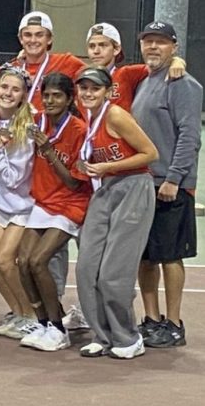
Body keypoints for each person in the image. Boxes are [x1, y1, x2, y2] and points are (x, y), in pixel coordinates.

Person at [74, 66, 157, 359]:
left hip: (134, 187)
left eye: (95, 88)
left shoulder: (116, 115)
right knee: (86, 268)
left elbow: (150, 153)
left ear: (108, 92)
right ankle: (103, 334)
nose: (88, 93)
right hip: (106, 189)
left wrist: (109, 167)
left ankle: (128, 337)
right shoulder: (86, 113)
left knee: (114, 273)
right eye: (83, 88)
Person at [132, 21, 202, 348]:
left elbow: (190, 136)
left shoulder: (184, 84)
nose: (153, 48)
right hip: (144, 184)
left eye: (161, 42)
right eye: (148, 42)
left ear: (174, 46)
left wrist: (174, 178)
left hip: (169, 185)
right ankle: (151, 319)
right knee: (146, 257)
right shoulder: (145, 81)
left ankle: (174, 324)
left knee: (170, 256)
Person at [16, 73, 91, 351]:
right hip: (43, 202)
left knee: (38, 262)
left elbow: (73, 181)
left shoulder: (79, 130)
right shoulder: (38, 122)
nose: (49, 100)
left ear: (69, 99)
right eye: (46, 95)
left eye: (56, 96)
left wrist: (47, 148)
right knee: (22, 261)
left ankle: (59, 329)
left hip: (70, 203)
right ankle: (43, 321)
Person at [0, 66, 38, 339]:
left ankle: (30, 315)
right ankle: (16, 312)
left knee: (4, 260)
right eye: (4, 87)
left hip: (21, 205)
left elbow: (15, 178)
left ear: (24, 96)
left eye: (15, 90)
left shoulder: (26, 126)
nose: (8, 93)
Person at [14, 11, 85, 112]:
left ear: (49, 39)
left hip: (52, 126)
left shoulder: (66, 62)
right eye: (27, 35)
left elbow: (99, 77)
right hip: (18, 126)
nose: (33, 40)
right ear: (21, 39)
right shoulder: (12, 69)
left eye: (39, 35)